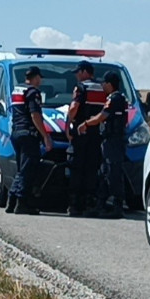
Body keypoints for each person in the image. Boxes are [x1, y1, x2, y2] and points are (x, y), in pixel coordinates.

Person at [78, 71, 129, 219]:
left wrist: (86, 123)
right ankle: (101, 205)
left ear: (110, 84)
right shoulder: (115, 98)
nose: (102, 86)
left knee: (113, 173)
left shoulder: (115, 98)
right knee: (104, 172)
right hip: (109, 141)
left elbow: (103, 116)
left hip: (114, 141)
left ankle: (117, 206)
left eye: (104, 83)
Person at [7, 66, 54, 215]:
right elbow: (35, 115)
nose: (40, 80)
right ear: (35, 77)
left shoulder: (17, 90)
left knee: (22, 169)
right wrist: (45, 136)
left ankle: (12, 200)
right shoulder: (33, 92)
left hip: (16, 132)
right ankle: (21, 203)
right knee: (28, 170)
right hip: (28, 134)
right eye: (40, 77)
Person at [65, 60, 106, 217]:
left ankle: (75, 205)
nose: (76, 75)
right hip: (96, 134)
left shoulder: (81, 88)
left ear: (84, 71)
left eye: (77, 72)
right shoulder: (102, 88)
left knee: (77, 168)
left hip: (81, 133)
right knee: (92, 169)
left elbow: (74, 107)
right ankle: (90, 203)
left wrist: (68, 123)